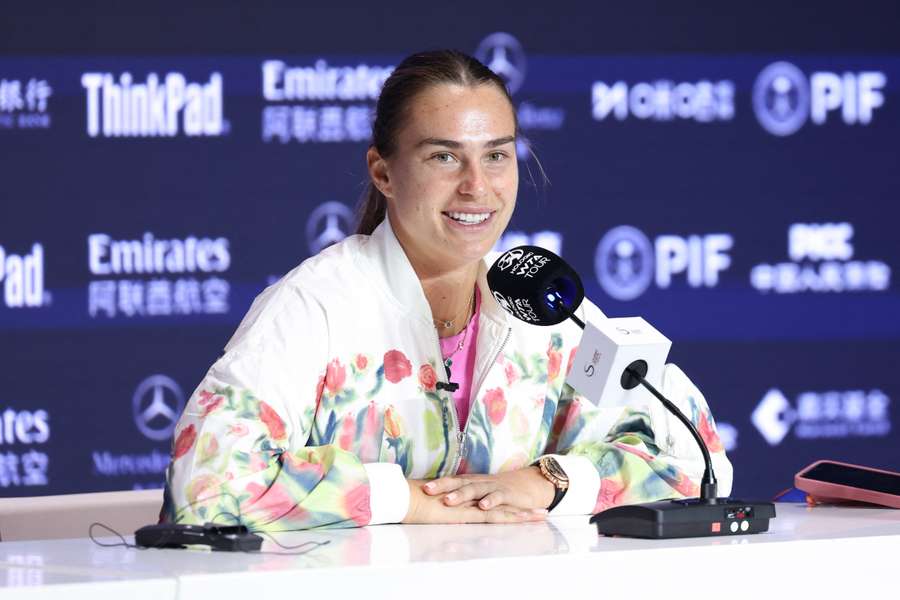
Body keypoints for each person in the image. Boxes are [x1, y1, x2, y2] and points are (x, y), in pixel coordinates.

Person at [161, 49, 733, 530]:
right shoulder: (319, 305)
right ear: (382, 173)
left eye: (496, 156)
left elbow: (697, 456)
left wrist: (547, 482)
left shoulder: (541, 302)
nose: (476, 187)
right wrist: (408, 501)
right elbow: (207, 488)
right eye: (443, 156)